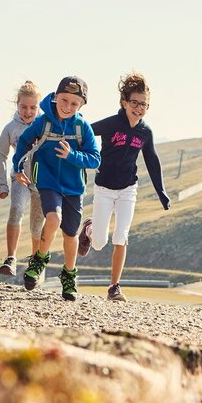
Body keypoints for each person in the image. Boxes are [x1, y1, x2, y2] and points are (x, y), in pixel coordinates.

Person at [78, 72, 170, 301]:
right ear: (124, 102)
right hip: (104, 189)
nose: (139, 108)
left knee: (121, 236)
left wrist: (162, 192)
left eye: (144, 105)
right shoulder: (111, 124)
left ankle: (114, 287)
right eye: (135, 103)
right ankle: (89, 229)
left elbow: (152, 160)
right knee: (99, 243)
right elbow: (84, 131)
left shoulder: (145, 132)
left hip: (128, 189)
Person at [12, 76, 101, 301]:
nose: (67, 107)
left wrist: (72, 155)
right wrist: (17, 166)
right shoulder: (43, 122)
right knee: (53, 219)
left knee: (70, 235)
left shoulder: (83, 128)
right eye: (64, 100)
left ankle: (69, 276)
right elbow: (24, 141)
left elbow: (95, 159)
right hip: (48, 181)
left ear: (81, 106)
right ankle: (40, 259)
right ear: (55, 97)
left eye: (74, 103)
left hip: (74, 188)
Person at [0, 81, 46, 276]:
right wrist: (2, 184)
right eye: (24, 107)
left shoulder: (46, 125)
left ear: (39, 107)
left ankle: (35, 264)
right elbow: (0, 155)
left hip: (42, 181)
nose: (28, 111)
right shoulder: (10, 128)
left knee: (36, 225)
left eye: (33, 107)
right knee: (16, 210)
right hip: (20, 178)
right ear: (17, 104)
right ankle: (11, 258)